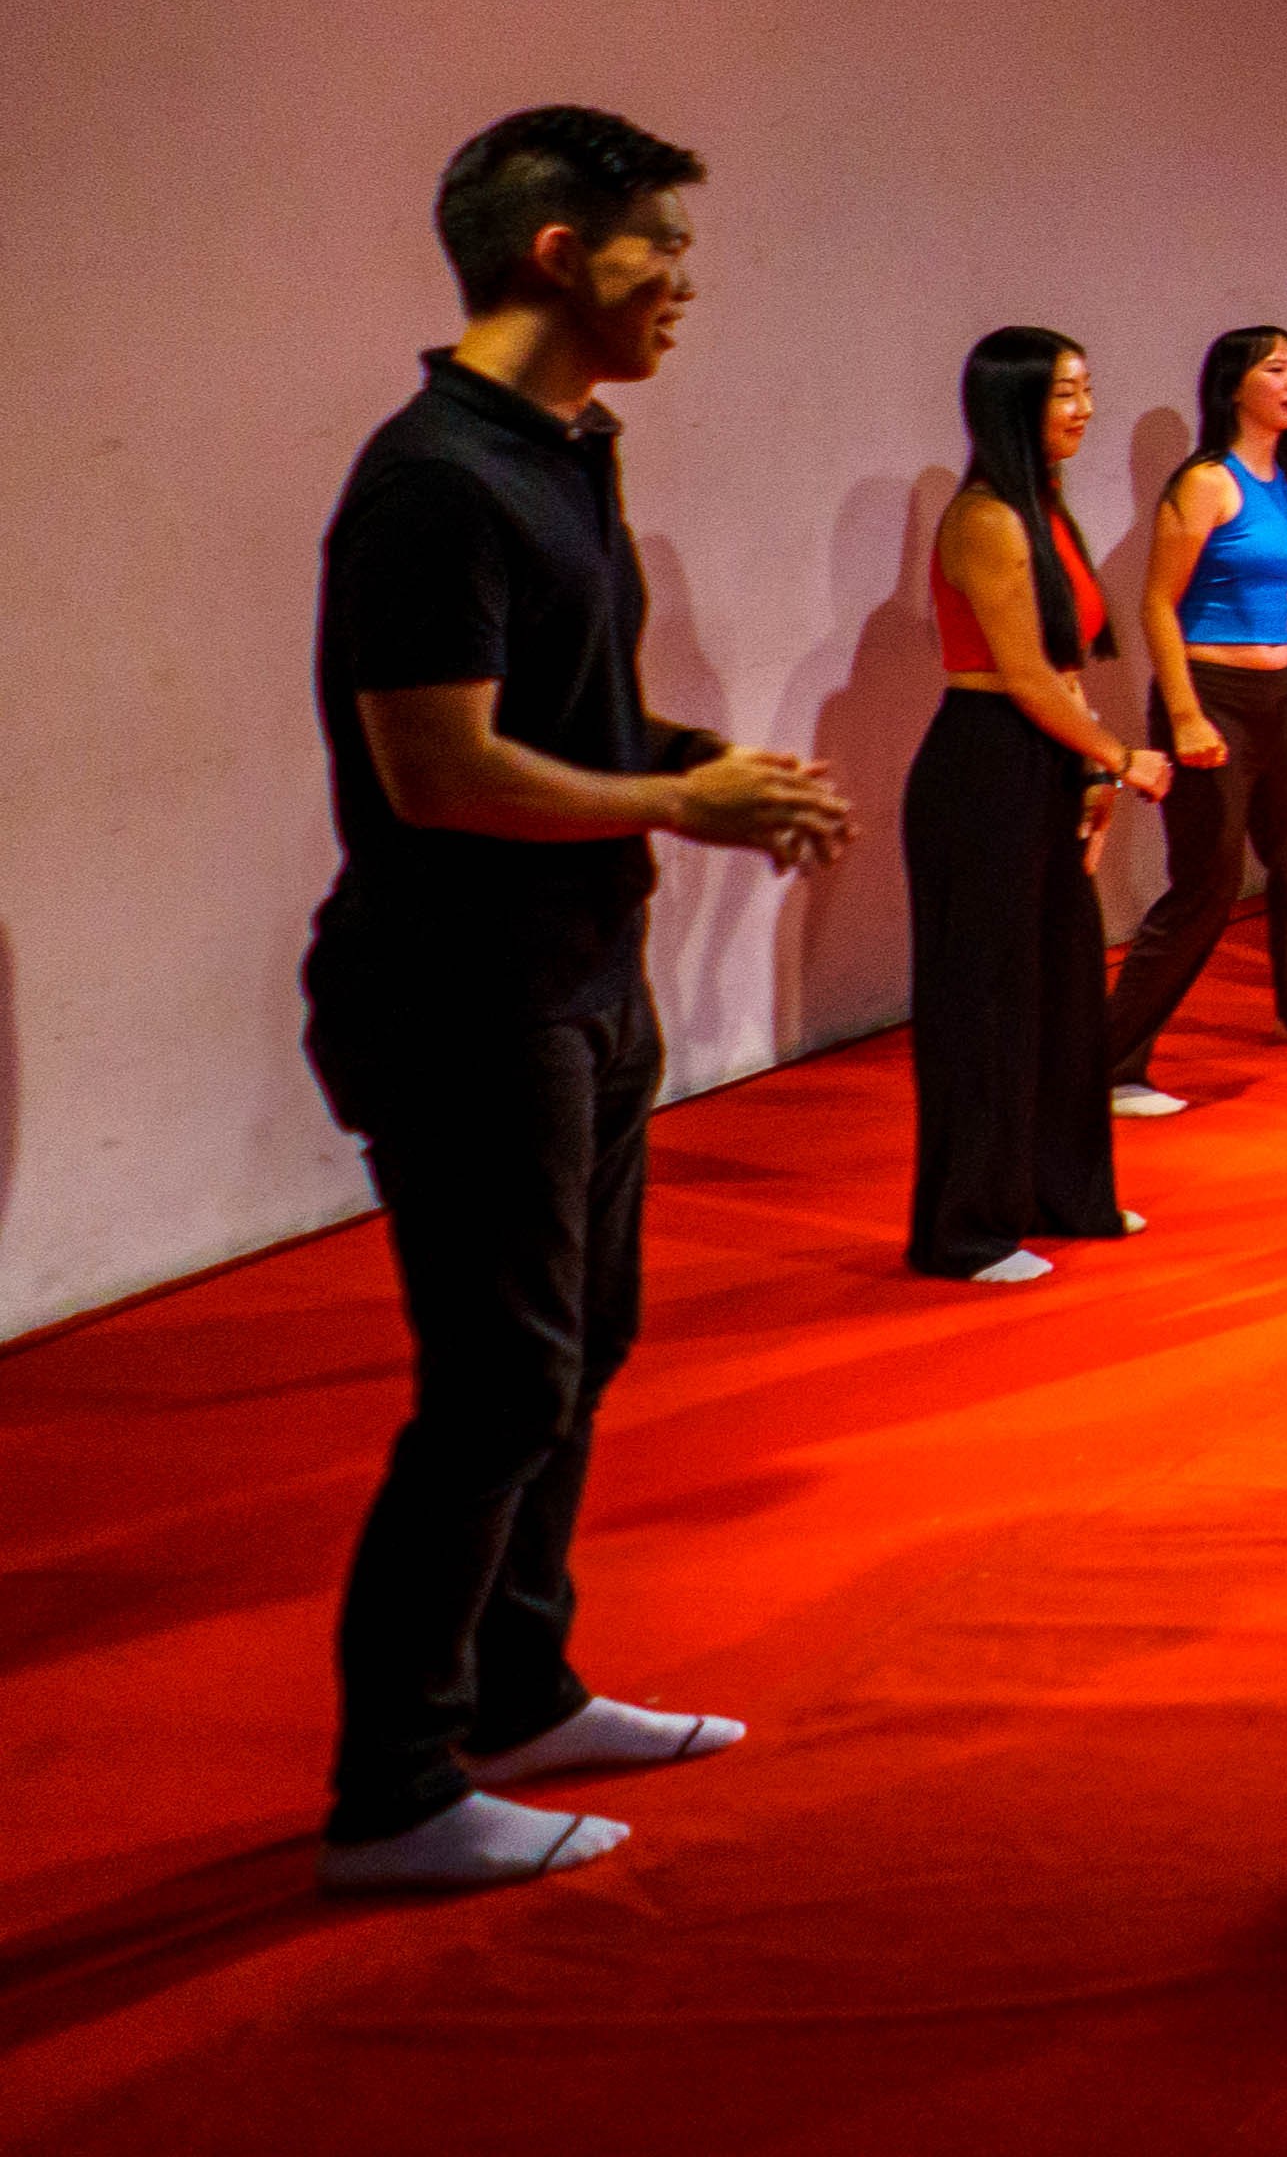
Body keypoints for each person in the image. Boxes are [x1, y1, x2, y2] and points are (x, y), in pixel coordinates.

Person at [308, 109, 848, 1891]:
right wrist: (682, 802)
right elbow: (437, 770)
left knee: (578, 1351)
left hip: (577, 979)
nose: (685, 285)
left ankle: (518, 1686)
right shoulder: (433, 480)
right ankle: (392, 1791)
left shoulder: (569, 453)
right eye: (659, 252)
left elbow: (565, 720)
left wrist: (700, 763)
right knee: (496, 1382)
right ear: (557, 253)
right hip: (459, 995)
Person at [906, 329, 1159, 1289]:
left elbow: (1065, 666)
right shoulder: (984, 518)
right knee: (985, 1006)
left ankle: (1065, 1195)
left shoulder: (1045, 509)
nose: (1084, 410)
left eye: (1089, 389)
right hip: (981, 772)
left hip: (1047, 764)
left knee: (1061, 997)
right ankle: (965, 1231)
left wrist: (1094, 775)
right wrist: (1122, 757)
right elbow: (1018, 675)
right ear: (1011, 403)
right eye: (1065, 393)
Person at [1104, 327, 1287, 1111]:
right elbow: (1157, 607)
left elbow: (1279, 610)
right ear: (1235, 386)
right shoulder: (1206, 481)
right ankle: (1112, 1065)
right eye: (1277, 369)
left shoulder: (1281, 482)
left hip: (1278, 698)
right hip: (1210, 699)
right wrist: (1186, 714)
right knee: (1206, 885)